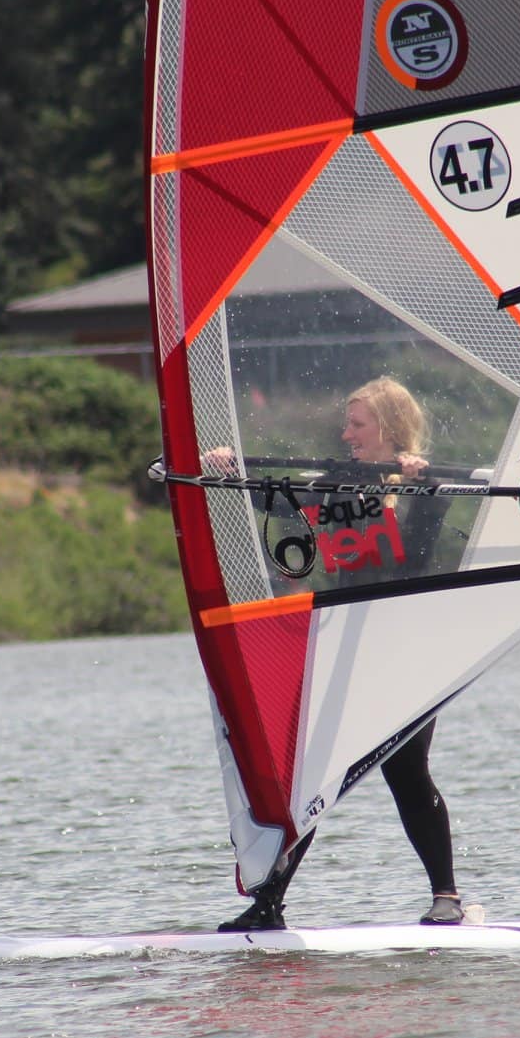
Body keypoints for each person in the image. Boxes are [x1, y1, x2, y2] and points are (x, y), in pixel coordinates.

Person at [209, 376, 466, 931]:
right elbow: (280, 501)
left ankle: (447, 897)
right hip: (343, 648)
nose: (346, 432)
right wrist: (233, 473)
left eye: (357, 424)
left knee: (407, 775)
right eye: (347, 423)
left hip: (403, 650)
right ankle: (267, 906)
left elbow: (419, 556)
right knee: (309, 781)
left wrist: (429, 489)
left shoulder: (423, 487)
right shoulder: (336, 483)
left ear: (389, 430)